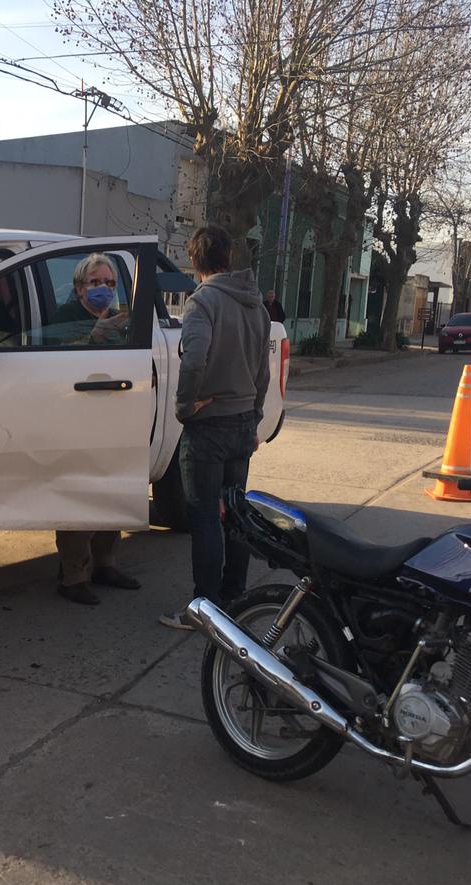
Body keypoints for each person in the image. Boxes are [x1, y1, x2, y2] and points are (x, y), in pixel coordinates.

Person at [160, 225, 271, 628]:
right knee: (236, 513)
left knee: (205, 515)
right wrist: (254, 417)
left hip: (208, 424)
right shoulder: (255, 304)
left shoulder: (202, 302)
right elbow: (263, 371)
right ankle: (235, 598)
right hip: (242, 423)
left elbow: (193, 360)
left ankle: (205, 609)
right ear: (228, 256)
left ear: (194, 260)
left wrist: (184, 406)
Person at [53, 253, 140, 605]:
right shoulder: (64, 320)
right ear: (79, 288)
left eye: (109, 283)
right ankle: (72, 575)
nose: (103, 288)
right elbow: (57, 366)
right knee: (82, 496)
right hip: (77, 421)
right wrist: (93, 337)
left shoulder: (118, 320)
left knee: (111, 492)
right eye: (95, 283)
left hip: (113, 420)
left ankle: (106, 563)